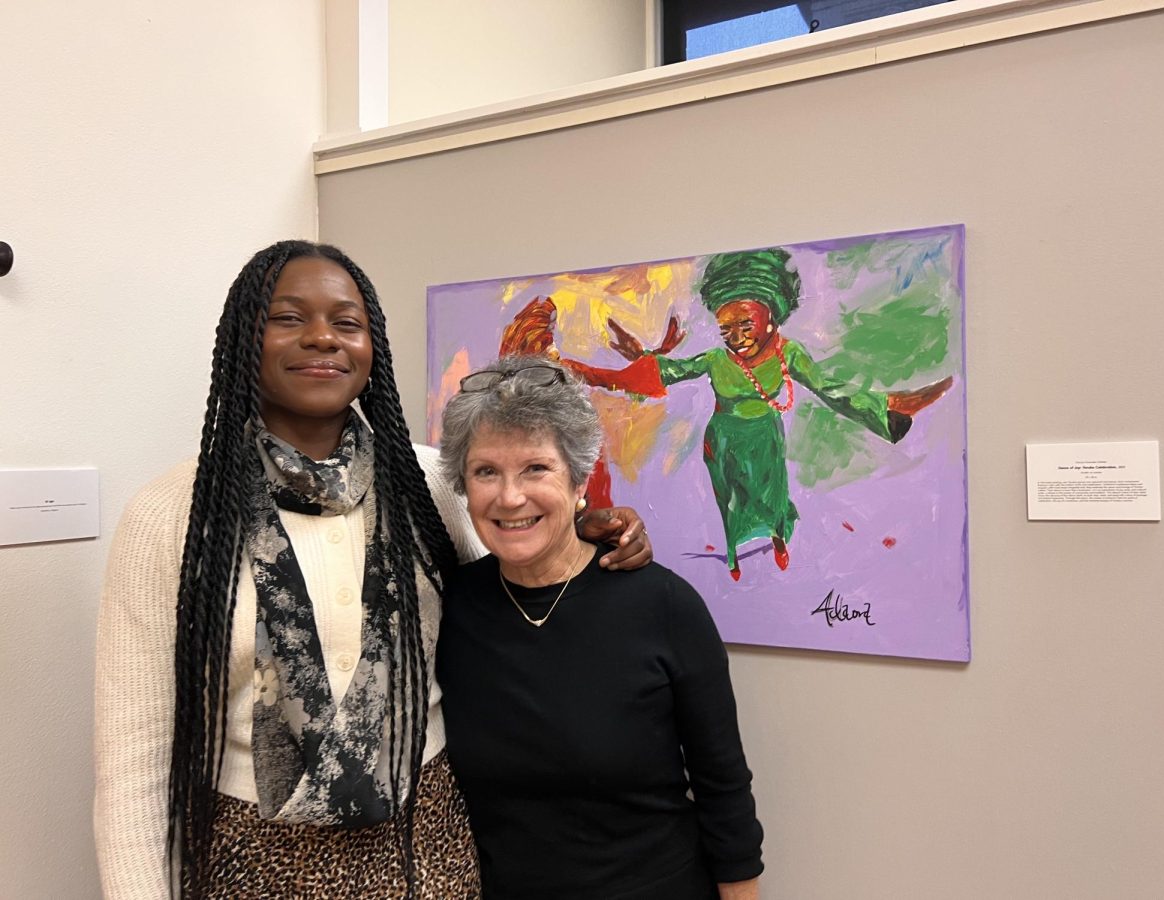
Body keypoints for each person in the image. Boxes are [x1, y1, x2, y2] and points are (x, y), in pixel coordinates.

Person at [93, 240, 652, 899]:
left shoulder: (432, 485)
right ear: (246, 337)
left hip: (429, 845)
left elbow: (513, 595)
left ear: (371, 348)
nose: (323, 337)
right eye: (289, 318)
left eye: (347, 322)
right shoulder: (174, 516)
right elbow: (133, 767)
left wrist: (586, 532)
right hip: (255, 857)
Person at [436, 355, 764, 900]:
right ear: (463, 488)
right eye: (486, 471)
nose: (510, 496)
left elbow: (723, 789)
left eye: (536, 468)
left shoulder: (663, 605)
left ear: (579, 481)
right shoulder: (452, 607)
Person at [554, 247, 952, 581]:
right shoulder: (715, 359)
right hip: (723, 441)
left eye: (745, 324)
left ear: (770, 318)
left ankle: (779, 539)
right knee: (731, 502)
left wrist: (888, 407)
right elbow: (665, 373)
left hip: (765, 437)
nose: (737, 337)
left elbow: (830, 390)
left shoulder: (787, 353)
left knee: (773, 499)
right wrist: (591, 373)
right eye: (727, 329)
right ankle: (733, 555)